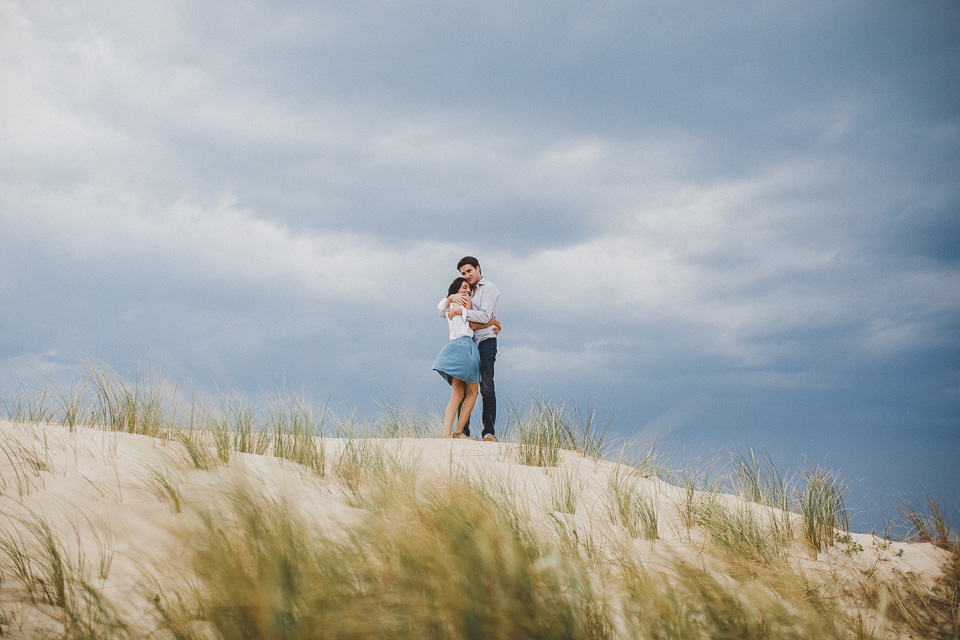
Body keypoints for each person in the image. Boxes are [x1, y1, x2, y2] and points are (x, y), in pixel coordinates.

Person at [439, 256, 500, 441]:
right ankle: (461, 432)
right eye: (463, 274)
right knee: (464, 391)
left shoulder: (489, 288)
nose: (467, 276)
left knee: (487, 387)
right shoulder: (464, 293)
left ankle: (488, 432)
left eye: (469, 271)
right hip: (468, 345)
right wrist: (451, 299)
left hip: (485, 341)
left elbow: (481, 316)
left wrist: (490, 320)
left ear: (478, 268)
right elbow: (446, 313)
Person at [432, 278, 481, 438]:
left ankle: (446, 433)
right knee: (472, 392)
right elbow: (473, 324)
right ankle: (459, 431)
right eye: (464, 287)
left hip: (454, 347)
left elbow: (440, 309)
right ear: (456, 289)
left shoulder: (450, 306)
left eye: (469, 288)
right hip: (466, 347)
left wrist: (450, 299)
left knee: (457, 394)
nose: (467, 290)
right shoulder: (464, 302)